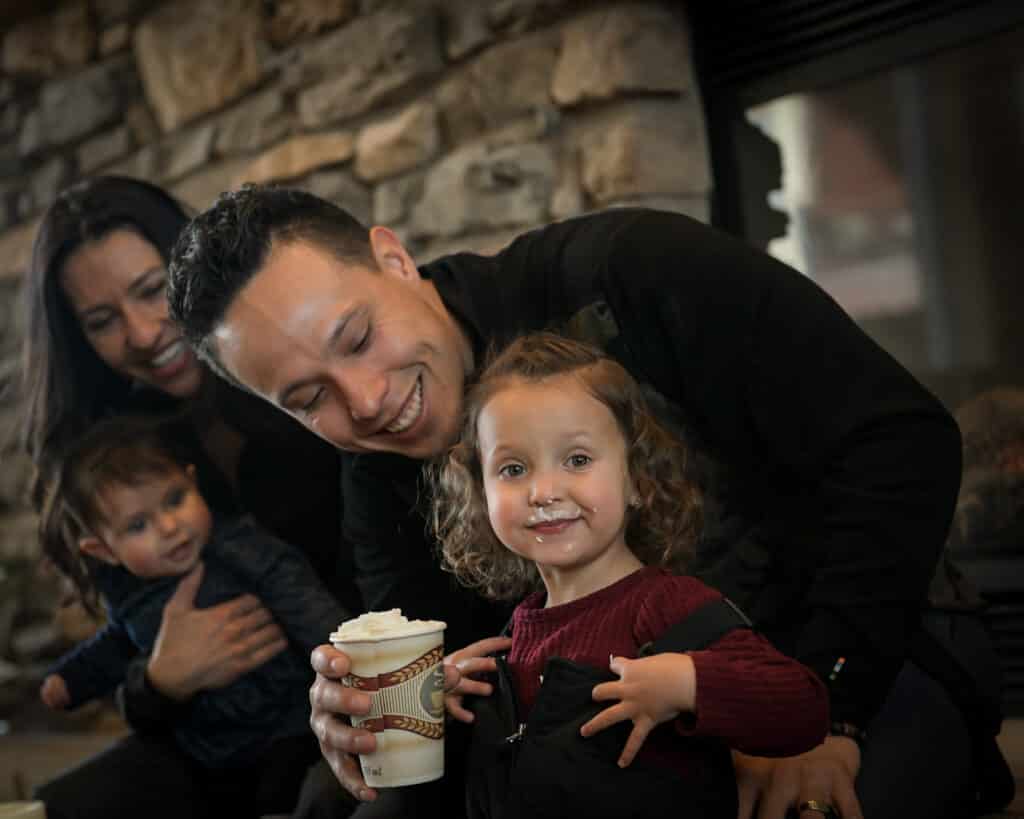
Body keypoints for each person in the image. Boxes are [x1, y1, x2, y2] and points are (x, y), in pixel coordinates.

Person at [167, 185, 965, 819]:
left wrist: (828, 710)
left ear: (393, 258)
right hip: (602, 742)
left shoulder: (634, 269)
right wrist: (377, 710)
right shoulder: (375, 475)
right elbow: (469, 680)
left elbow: (902, 442)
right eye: (310, 397)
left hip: (854, 656)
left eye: (356, 336)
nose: (369, 401)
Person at [20, 176, 359, 819]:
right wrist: (157, 682)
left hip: (353, 689)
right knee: (68, 807)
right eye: (101, 322)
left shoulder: (300, 379)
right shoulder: (110, 466)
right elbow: (133, 643)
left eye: (152, 291)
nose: (144, 333)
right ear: (80, 342)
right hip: (219, 735)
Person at [432, 332, 830, 818]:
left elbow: (803, 708)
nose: (542, 490)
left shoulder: (667, 607)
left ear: (637, 480)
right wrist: (446, 709)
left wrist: (687, 684)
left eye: (576, 460)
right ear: (480, 494)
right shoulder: (512, 638)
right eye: (513, 469)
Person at [36, 414, 346, 812]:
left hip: (286, 729)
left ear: (193, 481)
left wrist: (342, 655)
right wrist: (71, 680)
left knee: (286, 794)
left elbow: (301, 601)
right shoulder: (132, 599)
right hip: (207, 751)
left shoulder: (241, 549)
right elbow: (114, 645)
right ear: (104, 551)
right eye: (138, 525)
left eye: (175, 500)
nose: (169, 527)